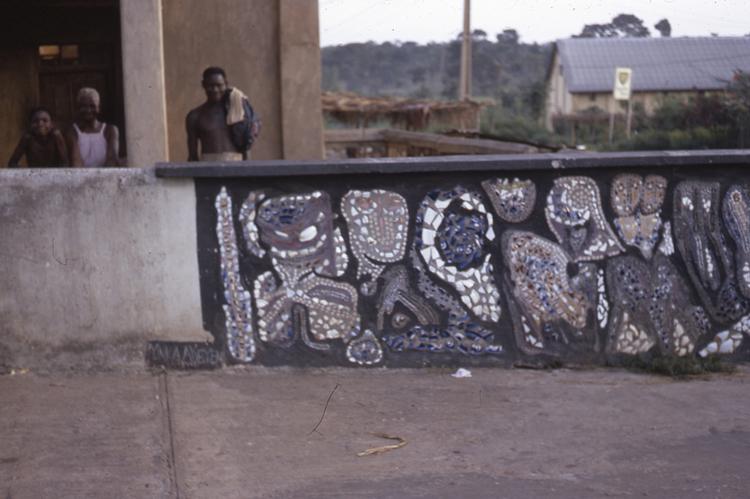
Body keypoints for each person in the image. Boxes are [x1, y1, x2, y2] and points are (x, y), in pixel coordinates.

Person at [186, 66, 259, 162]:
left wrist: (248, 172)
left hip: (237, 170)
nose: (215, 90)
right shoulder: (195, 116)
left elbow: (246, 146)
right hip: (208, 171)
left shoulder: (237, 111)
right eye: (210, 85)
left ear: (226, 84)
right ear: (203, 85)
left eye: (219, 85)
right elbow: (193, 156)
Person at [65, 87, 120, 167]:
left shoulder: (110, 130)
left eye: (92, 106)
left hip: (106, 177)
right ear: (78, 108)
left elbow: (111, 161)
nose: (88, 110)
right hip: (81, 177)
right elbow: (76, 162)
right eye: (83, 106)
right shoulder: (72, 131)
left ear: (99, 107)